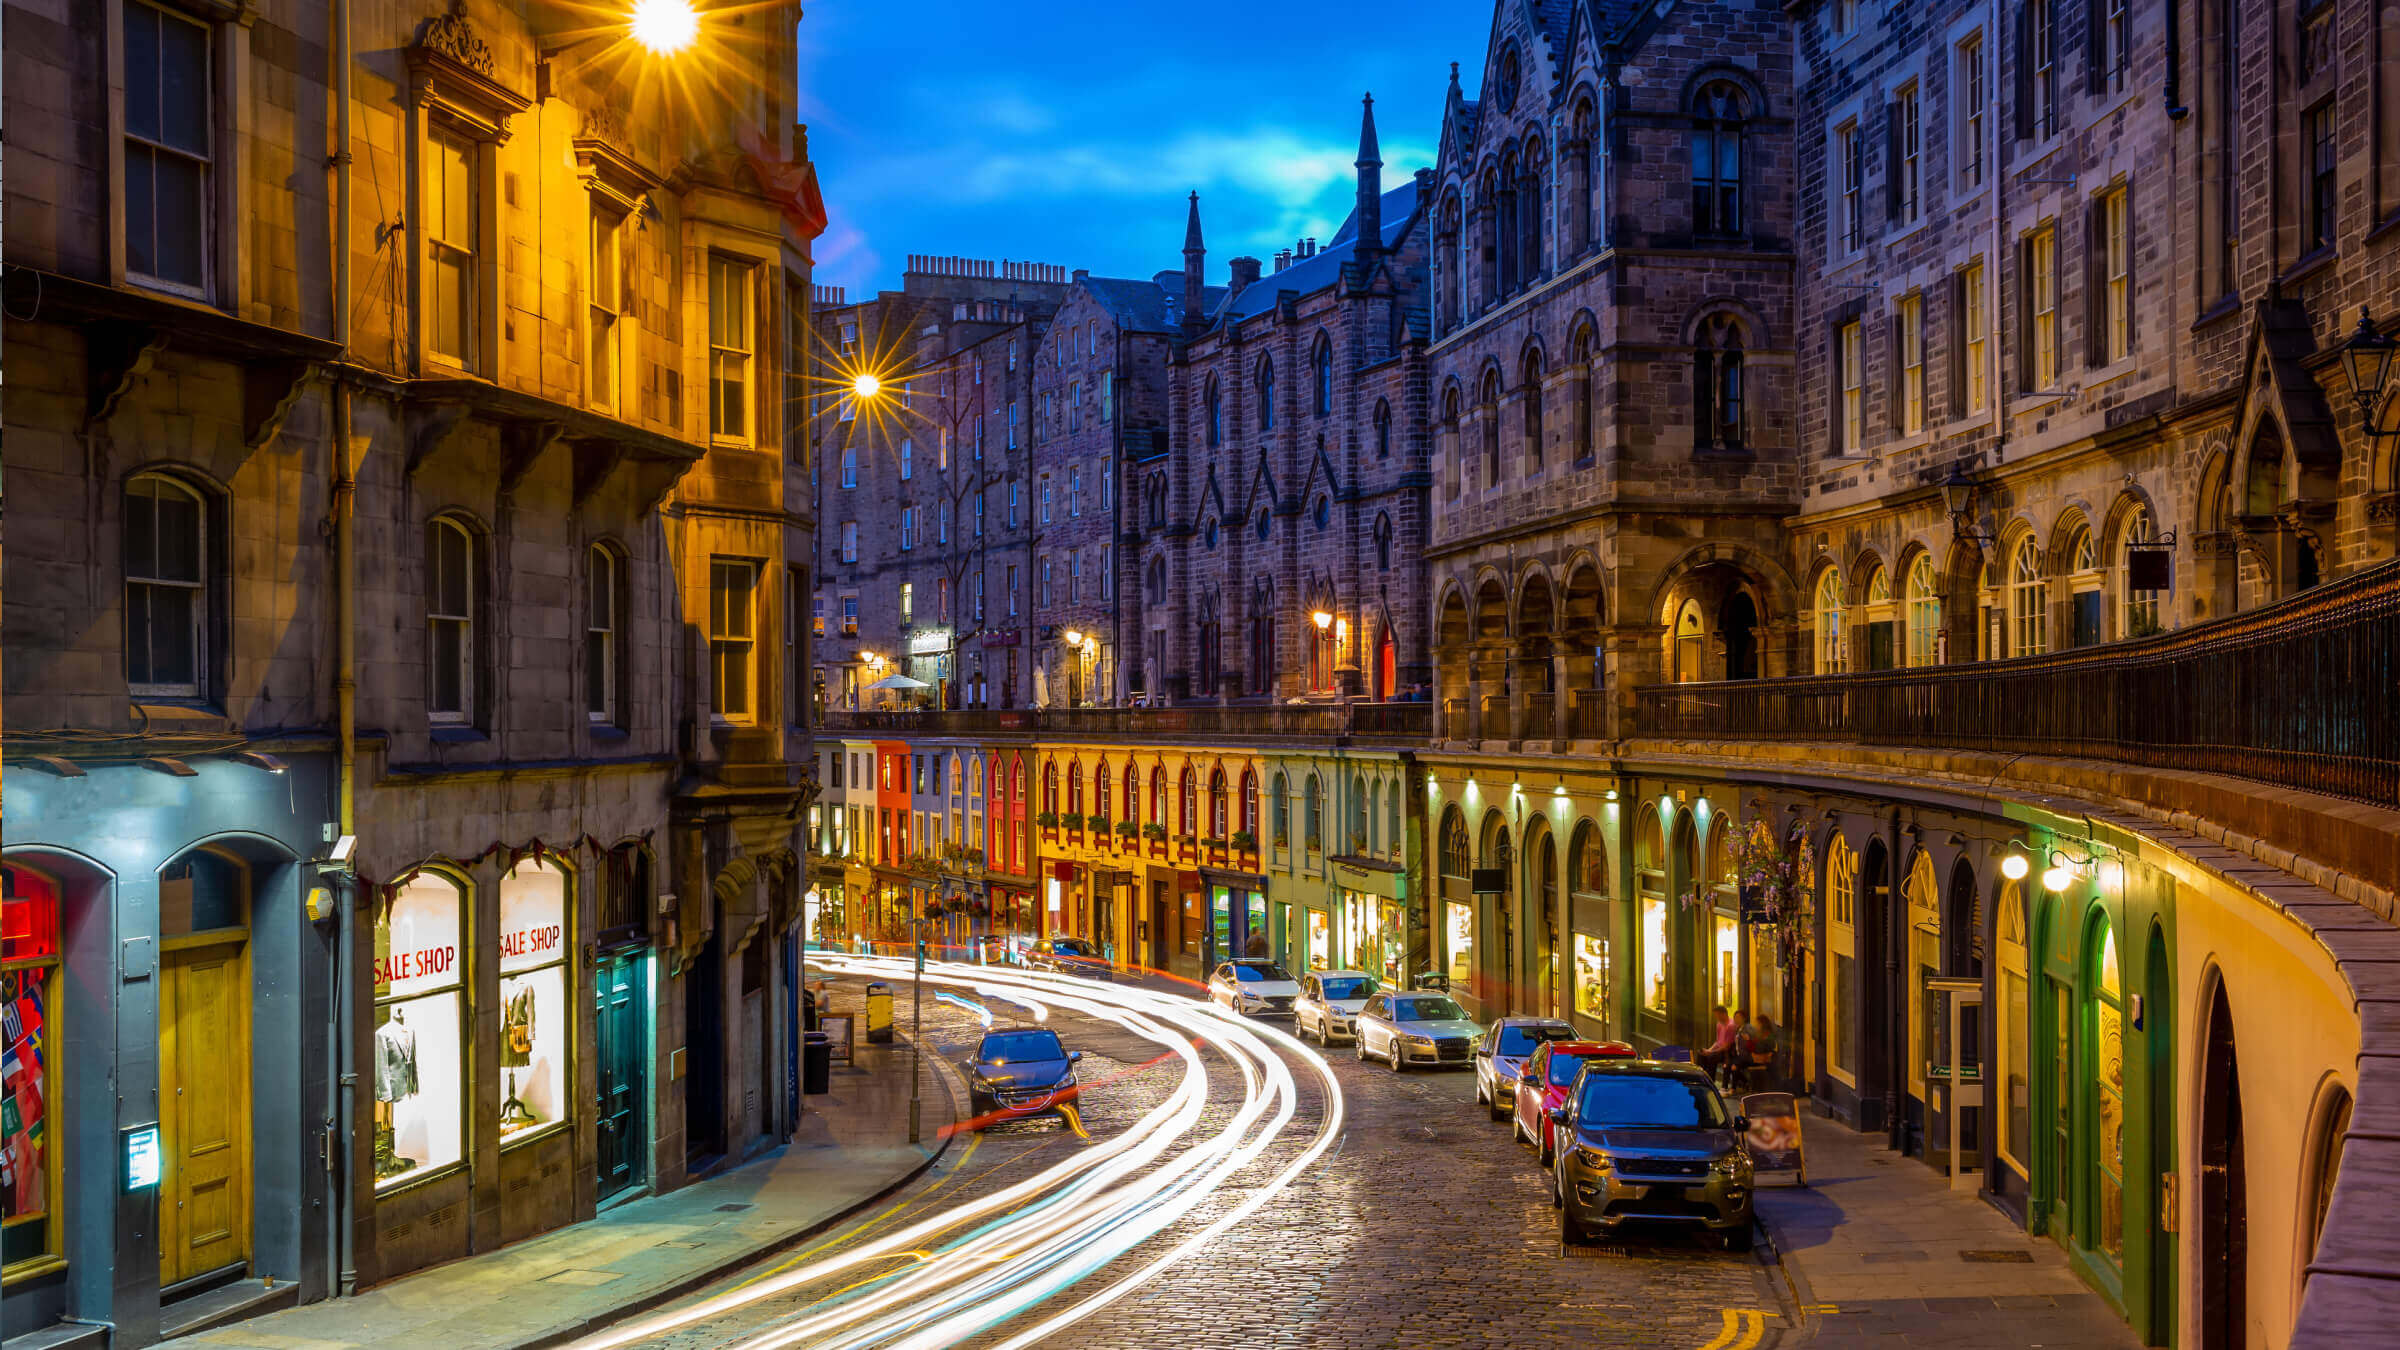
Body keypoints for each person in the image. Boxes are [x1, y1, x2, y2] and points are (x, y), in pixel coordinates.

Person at [1695, 1004, 1740, 1079]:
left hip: (1727, 1052)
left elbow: (1726, 1046)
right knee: (1701, 1054)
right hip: (1719, 1049)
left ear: (1724, 1014)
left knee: (1711, 1057)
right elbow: (1717, 1041)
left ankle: (1710, 1079)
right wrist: (1709, 1050)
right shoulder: (1719, 1024)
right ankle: (1700, 1077)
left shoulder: (1731, 1025)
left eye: (1717, 1015)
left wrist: (1711, 1052)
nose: (1716, 1017)